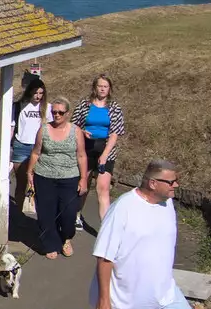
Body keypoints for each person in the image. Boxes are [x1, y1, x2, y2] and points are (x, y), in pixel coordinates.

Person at [90, 159, 195, 309]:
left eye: (177, 181)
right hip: (124, 298)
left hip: (162, 291)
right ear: (153, 183)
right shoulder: (123, 209)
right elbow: (104, 257)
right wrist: (104, 300)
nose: (176, 186)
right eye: (171, 182)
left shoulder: (167, 203)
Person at [23, 98, 88, 258]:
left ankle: (66, 238)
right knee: (46, 213)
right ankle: (50, 244)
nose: (56, 115)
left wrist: (83, 178)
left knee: (68, 213)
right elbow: (36, 152)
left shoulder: (76, 131)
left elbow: (81, 155)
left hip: (69, 177)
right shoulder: (44, 130)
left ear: (67, 113)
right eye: (54, 112)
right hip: (44, 176)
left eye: (60, 112)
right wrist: (29, 173)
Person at [72, 75, 126, 229]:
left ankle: (106, 227)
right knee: (83, 185)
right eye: (100, 86)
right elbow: (74, 126)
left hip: (106, 149)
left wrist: (104, 155)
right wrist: (82, 132)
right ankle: (76, 215)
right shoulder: (84, 104)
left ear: (109, 89)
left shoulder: (114, 107)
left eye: (105, 86)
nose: (102, 89)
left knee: (103, 188)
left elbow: (115, 133)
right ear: (94, 87)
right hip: (86, 148)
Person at [10, 78, 46, 186]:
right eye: (35, 92)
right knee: (21, 183)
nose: (38, 96)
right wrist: (7, 147)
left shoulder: (47, 108)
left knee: (36, 183)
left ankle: (33, 203)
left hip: (39, 147)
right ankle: (20, 203)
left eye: (41, 93)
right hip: (21, 146)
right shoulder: (19, 106)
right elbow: (11, 128)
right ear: (30, 91)